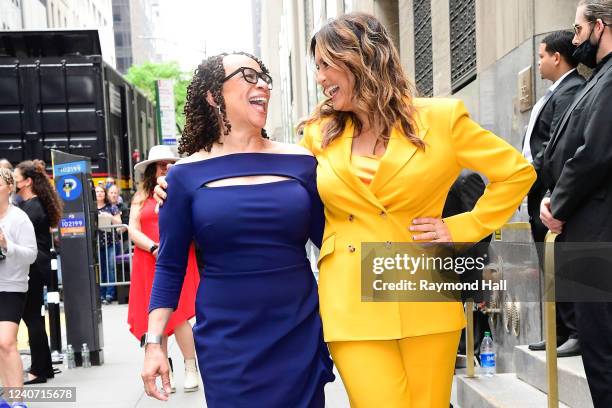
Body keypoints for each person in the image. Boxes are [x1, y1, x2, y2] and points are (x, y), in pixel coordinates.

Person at [156, 14, 535, 407]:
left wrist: (461, 227)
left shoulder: (441, 119)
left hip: (422, 290)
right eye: (315, 67)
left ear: (360, 59)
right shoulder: (318, 134)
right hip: (350, 301)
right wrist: (181, 183)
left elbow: (515, 173)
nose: (319, 78)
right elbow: (271, 178)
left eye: (325, 64)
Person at [142, 52, 334, 407]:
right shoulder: (184, 176)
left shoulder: (303, 161)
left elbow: (334, 242)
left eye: (264, 77)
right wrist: (153, 342)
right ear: (214, 96)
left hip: (298, 330)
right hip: (228, 339)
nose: (262, 83)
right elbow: (169, 267)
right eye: (248, 76)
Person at [541, 1, 612, 406]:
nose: (574, 38)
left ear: (600, 27)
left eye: (578, 28)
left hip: (597, 231)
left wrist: (558, 204)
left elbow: (595, 152)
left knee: (602, 353)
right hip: (587, 229)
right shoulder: (597, 76)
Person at [524, 30, 585, 357]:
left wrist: (528, 173)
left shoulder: (572, 90)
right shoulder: (553, 92)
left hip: (553, 193)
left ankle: (574, 331)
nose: (538, 63)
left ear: (556, 58)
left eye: (541, 56)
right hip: (540, 194)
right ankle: (559, 330)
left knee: (562, 263)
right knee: (549, 267)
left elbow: (557, 145)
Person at [127, 145, 200, 393]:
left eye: (169, 163)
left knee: (178, 316)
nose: (165, 168)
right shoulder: (140, 197)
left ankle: (191, 367)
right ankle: (162, 368)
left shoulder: (179, 190)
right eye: (160, 164)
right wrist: (153, 247)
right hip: (149, 260)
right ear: (150, 170)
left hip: (176, 258)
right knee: (155, 319)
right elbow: (133, 229)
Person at [14, 160, 63, 384]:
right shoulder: (32, 205)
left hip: (33, 265)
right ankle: (43, 367)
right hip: (37, 264)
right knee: (33, 316)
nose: (13, 179)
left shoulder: (32, 207)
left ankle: (38, 370)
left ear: (27, 181)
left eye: (15, 176)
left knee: (31, 316)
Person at [0, 168, 37, 398]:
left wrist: (6, 245)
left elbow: (32, 254)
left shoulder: (19, 218)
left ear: (9, 187)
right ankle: (6, 397)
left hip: (11, 286)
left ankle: (17, 400)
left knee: (6, 342)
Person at [95, 185, 121, 304]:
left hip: (110, 242)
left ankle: (109, 294)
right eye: (97, 192)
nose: (99, 194)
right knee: (100, 268)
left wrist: (109, 216)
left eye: (101, 192)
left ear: (105, 194)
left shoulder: (112, 207)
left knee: (110, 267)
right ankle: (101, 294)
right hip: (97, 243)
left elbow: (119, 222)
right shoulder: (91, 208)